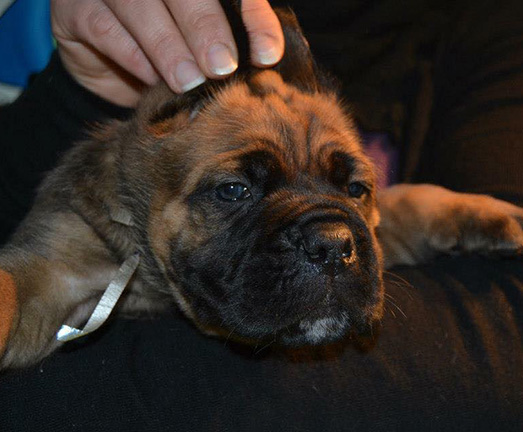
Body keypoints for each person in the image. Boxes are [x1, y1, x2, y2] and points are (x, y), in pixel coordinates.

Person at [0, 1, 522, 431]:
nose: (330, 241)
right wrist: (76, 93)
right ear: (135, 173)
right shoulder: (94, 204)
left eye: (354, 186)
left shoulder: (486, 27)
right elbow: (23, 291)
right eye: (233, 190)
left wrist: (431, 212)